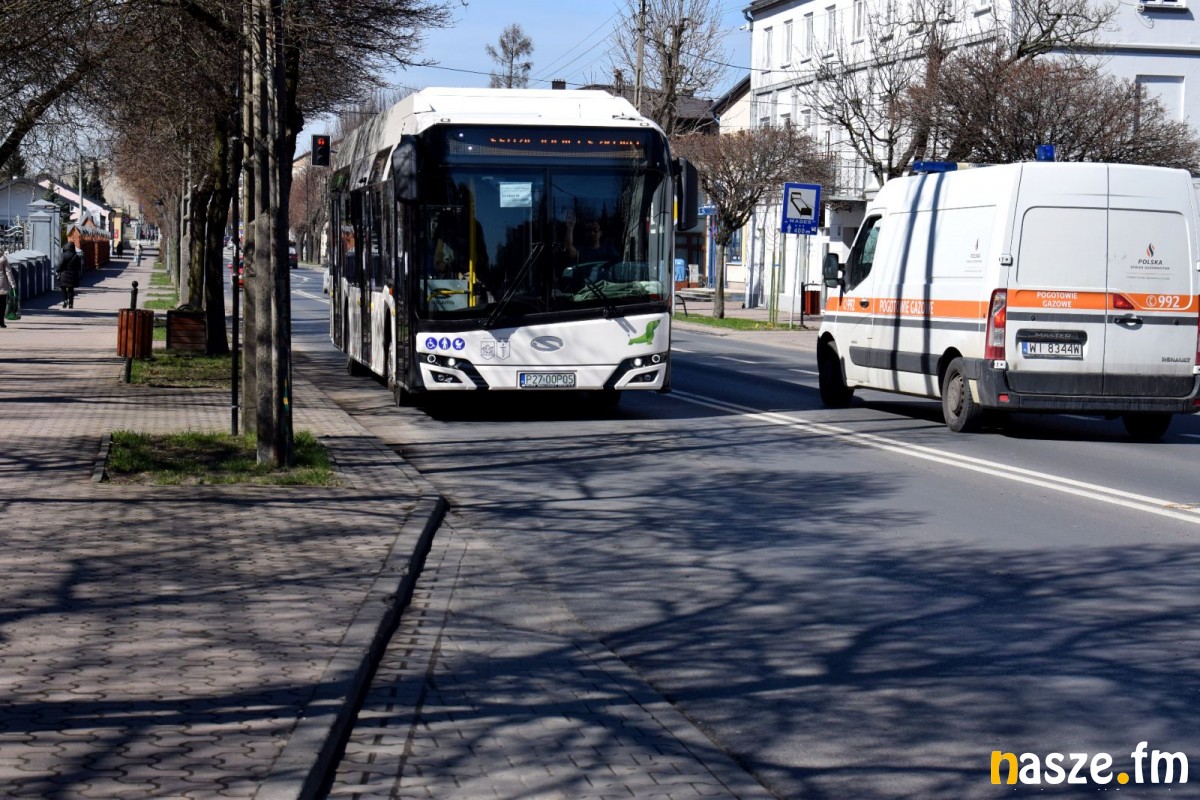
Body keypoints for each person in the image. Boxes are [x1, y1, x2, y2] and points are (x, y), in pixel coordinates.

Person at [58, 242, 82, 309]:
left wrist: (58, 270)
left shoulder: (64, 255)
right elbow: (79, 267)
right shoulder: (76, 256)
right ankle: (71, 304)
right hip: (72, 275)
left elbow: (60, 265)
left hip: (64, 274)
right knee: (71, 289)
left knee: (63, 288)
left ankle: (65, 301)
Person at [0, 253, 14, 327]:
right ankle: (1, 322)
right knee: (2, 304)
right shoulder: (3, 258)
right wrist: (13, 284)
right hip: (2, 283)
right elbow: (8, 272)